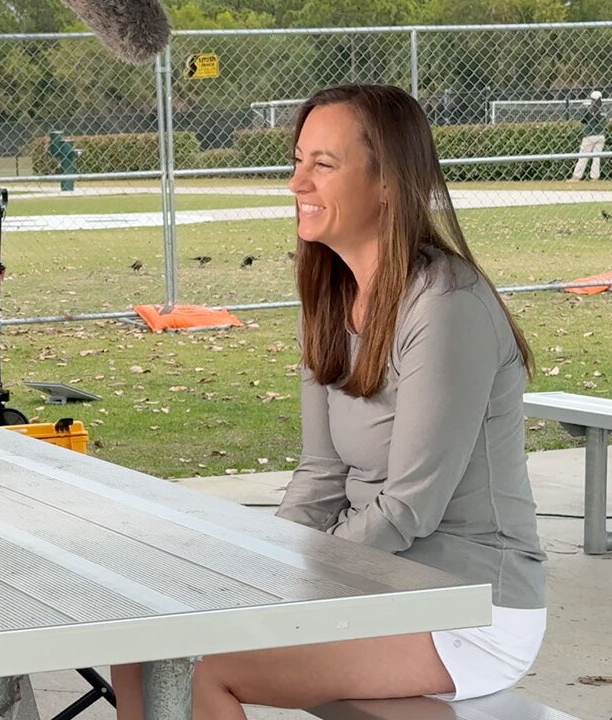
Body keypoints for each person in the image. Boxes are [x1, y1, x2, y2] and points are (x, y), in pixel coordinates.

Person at [112, 84, 547, 719]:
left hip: (471, 609)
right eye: (296, 161)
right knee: (145, 647)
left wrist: (289, 582)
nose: (296, 184)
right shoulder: (330, 298)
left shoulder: (446, 304)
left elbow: (409, 507)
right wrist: (255, 568)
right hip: (379, 583)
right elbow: (321, 477)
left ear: (388, 183)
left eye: (323, 164)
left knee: (200, 668)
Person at [570, 90, 606, 181]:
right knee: (596, 158)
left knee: (583, 156)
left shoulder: (589, 109)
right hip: (601, 135)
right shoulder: (604, 109)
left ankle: (576, 176)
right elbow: (604, 121)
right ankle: (594, 177)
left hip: (590, 135)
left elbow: (583, 120)